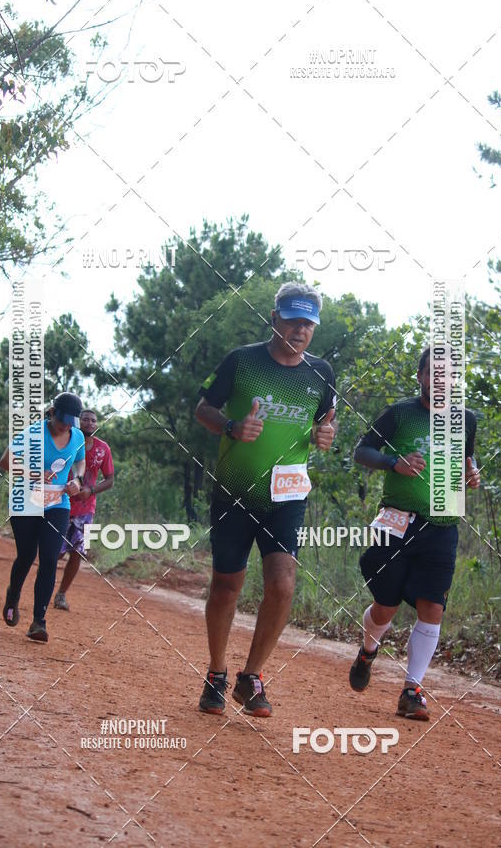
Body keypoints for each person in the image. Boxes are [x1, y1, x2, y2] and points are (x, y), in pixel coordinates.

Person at [195, 282, 337, 717]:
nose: (299, 330)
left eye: (307, 323)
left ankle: (251, 677)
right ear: (273, 318)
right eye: (291, 320)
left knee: (282, 584)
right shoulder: (242, 361)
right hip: (235, 491)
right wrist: (232, 426)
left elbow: (325, 426)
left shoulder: (322, 373)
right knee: (226, 585)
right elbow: (203, 408)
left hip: (287, 495)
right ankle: (217, 673)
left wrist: (325, 436)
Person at [349, 346, 481, 720]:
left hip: (442, 527)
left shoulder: (465, 420)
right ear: (421, 375)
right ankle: (368, 651)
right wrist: (395, 462)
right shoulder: (400, 414)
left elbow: (468, 459)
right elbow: (362, 452)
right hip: (397, 521)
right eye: (434, 372)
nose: (442, 380)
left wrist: (472, 474)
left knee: (432, 607)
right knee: (386, 606)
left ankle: (412, 691)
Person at [0, 392, 85, 642]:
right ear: (52, 412)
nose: (66, 426)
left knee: (49, 558)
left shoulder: (77, 435)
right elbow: (5, 461)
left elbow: (80, 462)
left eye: (71, 421)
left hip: (58, 502)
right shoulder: (33, 433)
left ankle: (39, 621)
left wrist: (77, 481)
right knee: (26, 555)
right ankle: (12, 597)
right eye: (62, 420)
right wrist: (33, 472)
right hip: (26, 501)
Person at [53, 408, 114, 611]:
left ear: (97, 424)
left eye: (93, 420)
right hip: (60, 505)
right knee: (55, 552)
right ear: (77, 421)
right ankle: (44, 587)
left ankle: (61, 594)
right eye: (85, 419)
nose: (89, 423)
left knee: (77, 552)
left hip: (86, 510)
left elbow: (110, 479)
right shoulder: (65, 442)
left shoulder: (103, 448)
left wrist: (91, 490)